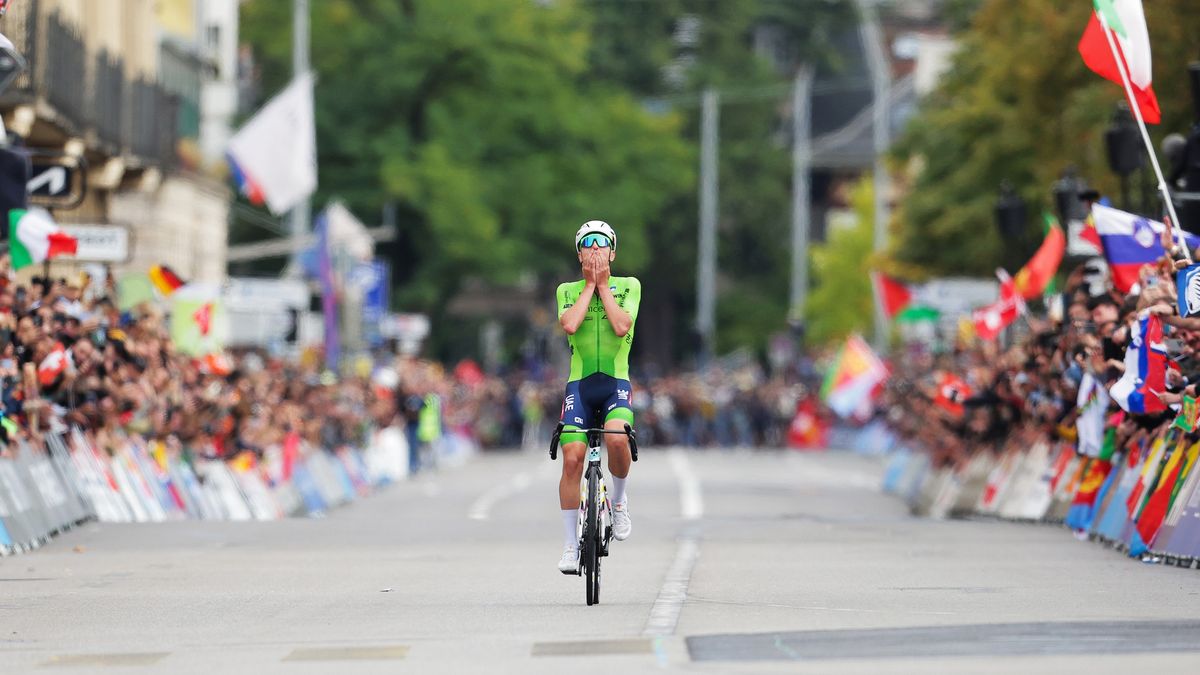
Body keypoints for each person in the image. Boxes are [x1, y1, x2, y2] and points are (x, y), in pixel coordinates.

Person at [554, 220, 641, 573]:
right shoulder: (567, 290)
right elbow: (570, 325)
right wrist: (589, 286)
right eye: (587, 243)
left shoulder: (629, 286)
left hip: (615, 381)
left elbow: (622, 326)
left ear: (613, 252)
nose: (595, 248)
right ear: (579, 253)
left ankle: (618, 503)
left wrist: (603, 286)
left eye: (602, 243)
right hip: (580, 384)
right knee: (572, 457)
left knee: (618, 439)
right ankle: (570, 546)